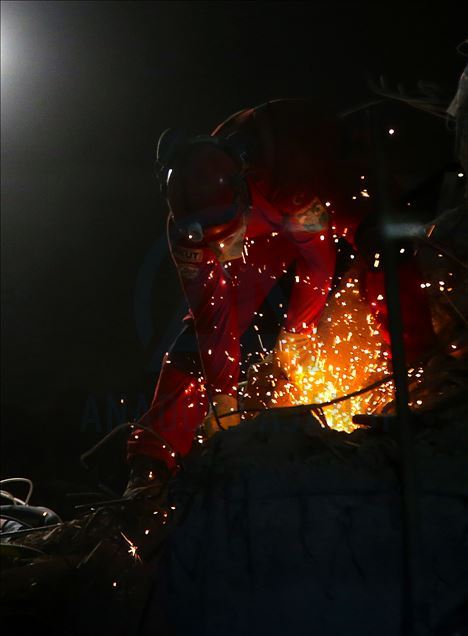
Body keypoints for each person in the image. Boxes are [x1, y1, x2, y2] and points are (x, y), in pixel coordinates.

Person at [125, 98, 436, 494]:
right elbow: (210, 319)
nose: (222, 248)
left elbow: (317, 259)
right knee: (196, 346)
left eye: (226, 233)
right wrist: (223, 400)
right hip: (261, 221)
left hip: (326, 182)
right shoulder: (189, 232)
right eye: (212, 240)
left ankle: (421, 373)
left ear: (240, 190)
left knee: (381, 247)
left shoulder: (289, 176)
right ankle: (152, 457)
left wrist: (298, 330)